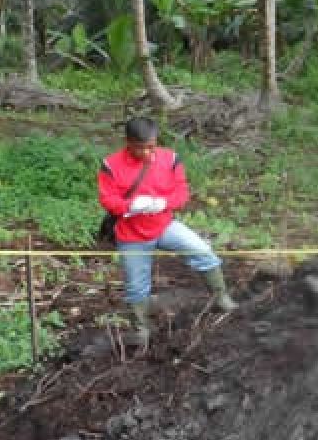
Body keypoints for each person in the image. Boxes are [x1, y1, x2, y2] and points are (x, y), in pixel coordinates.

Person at [98, 117, 238, 345]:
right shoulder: (110, 165)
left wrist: (164, 203)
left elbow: (182, 192)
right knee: (136, 284)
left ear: (156, 141)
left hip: (164, 224)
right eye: (139, 148)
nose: (145, 153)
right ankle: (141, 329)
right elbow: (108, 199)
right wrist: (131, 205)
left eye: (151, 147)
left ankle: (221, 297)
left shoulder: (170, 159)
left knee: (202, 251)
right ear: (127, 142)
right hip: (131, 233)